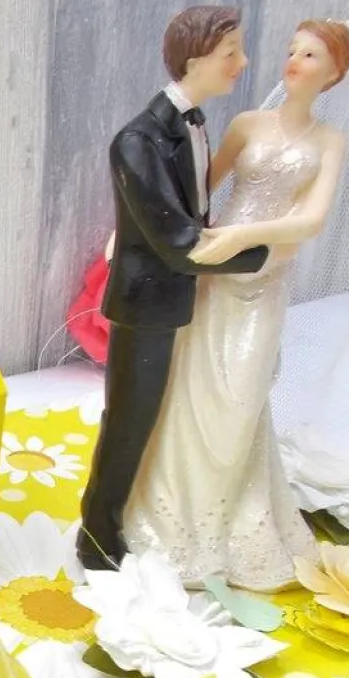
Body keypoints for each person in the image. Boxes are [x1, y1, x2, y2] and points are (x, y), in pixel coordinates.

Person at [123, 18, 349, 591]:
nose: (294, 61)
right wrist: (134, 232)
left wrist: (247, 236)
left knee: (240, 392)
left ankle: (227, 525)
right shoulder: (248, 124)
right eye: (293, 50)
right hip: (211, 271)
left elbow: (312, 220)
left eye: (311, 55)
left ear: (334, 73)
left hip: (262, 274)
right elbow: (194, 189)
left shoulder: (329, 142)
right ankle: (173, 512)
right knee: (191, 384)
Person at [77, 6, 269, 572]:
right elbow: (178, 243)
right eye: (231, 52)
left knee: (162, 416)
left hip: (181, 299)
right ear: (196, 60)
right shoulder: (137, 141)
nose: (243, 62)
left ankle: (138, 513)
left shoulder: (194, 123)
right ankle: (97, 533)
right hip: (148, 305)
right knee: (129, 420)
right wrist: (263, 254)